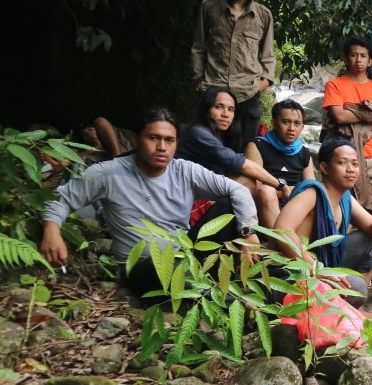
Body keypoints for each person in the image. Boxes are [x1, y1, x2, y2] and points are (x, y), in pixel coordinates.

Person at [40, 107, 258, 296]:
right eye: (153, 138)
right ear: (136, 140)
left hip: (187, 256)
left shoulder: (184, 170)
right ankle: (213, 292)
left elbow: (238, 190)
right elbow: (61, 197)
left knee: (228, 205)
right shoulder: (109, 173)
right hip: (142, 270)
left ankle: (211, 285)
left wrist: (248, 233)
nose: (162, 147)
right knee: (174, 273)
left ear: (176, 144)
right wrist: (51, 231)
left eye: (169, 140)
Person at [272, 137, 372, 307]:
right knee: (356, 288)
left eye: (355, 164)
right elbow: (282, 230)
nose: (351, 170)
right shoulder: (312, 193)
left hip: (322, 265)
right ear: (325, 168)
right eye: (342, 163)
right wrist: (318, 270)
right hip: (291, 276)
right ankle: (342, 311)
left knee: (368, 243)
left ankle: (352, 311)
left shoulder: (345, 198)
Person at [192, 0, 275, 149]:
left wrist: (260, 86)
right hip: (213, 92)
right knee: (206, 150)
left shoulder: (263, 15)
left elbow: (268, 56)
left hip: (247, 94)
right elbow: (198, 47)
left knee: (243, 151)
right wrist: (198, 81)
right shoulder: (209, 7)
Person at [178, 87, 289, 232]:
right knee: (248, 181)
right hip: (188, 208)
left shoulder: (220, 136)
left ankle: (278, 241)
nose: (225, 114)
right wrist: (281, 185)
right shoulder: (198, 133)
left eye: (231, 109)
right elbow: (242, 166)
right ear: (206, 109)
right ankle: (276, 241)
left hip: (201, 198)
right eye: (219, 107)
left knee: (260, 187)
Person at [323, 36, 372, 214]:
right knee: (343, 209)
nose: (358, 60)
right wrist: (369, 114)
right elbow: (339, 116)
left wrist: (352, 111)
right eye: (354, 55)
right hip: (344, 157)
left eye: (363, 56)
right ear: (346, 59)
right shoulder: (335, 85)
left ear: (370, 61)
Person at [245, 98, 315, 228]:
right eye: (286, 122)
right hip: (264, 207)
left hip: (293, 207)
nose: (291, 128)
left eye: (297, 123)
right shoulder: (257, 146)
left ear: (302, 127)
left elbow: (311, 189)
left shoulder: (304, 153)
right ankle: (279, 243)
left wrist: (288, 191)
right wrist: (287, 191)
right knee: (266, 191)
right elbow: (254, 188)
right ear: (274, 123)